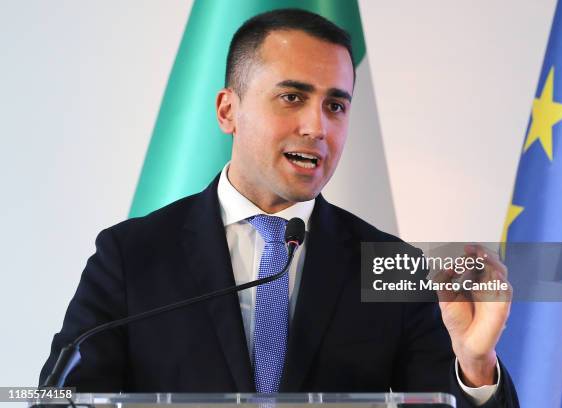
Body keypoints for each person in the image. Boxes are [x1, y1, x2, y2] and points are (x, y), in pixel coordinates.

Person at [40, 9, 518, 407]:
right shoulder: (132, 255)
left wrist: (475, 367)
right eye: (292, 97)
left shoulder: (390, 266)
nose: (317, 127)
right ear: (228, 110)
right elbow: (61, 397)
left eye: (336, 106)